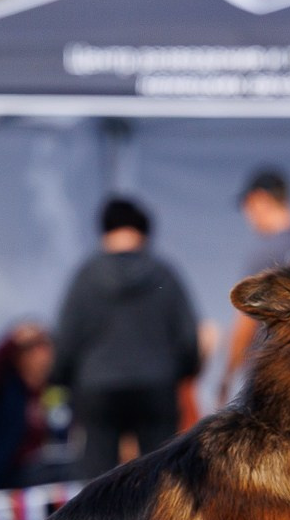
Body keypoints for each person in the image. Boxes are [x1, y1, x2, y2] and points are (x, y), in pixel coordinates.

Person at [53, 197, 201, 481]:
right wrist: (180, 373)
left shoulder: (85, 278)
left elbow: (66, 342)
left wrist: (61, 382)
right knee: (162, 482)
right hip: (156, 389)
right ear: (144, 233)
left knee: (97, 488)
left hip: (97, 392)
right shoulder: (165, 275)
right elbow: (187, 341)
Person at [217, 168, 290, 407]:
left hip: (269, 375)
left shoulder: (267, 253)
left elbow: (246, 321)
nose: (249, 216)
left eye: (248, 207)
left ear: (259, 199)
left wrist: (227, 375)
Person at [0, 320, 69, 488]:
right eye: (34, 349)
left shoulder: (54, 388)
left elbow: (63, 426)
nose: (43, 356)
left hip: (51, 467)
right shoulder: (6, 387)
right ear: (21, 356)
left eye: (45, 347)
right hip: (11, 472)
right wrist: (12, 340)